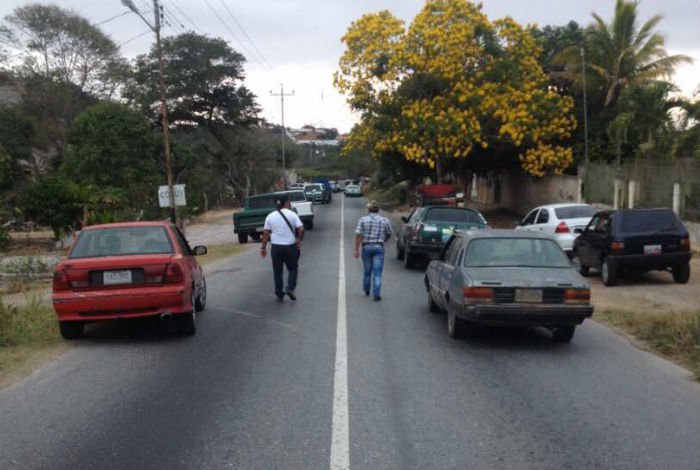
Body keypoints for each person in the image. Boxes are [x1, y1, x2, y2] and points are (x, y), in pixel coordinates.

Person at [260, 195, 305, 301]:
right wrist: (299, 239)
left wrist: (263, 247)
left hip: (276, 247)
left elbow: (266, 233)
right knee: (293, 268)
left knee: (277, 270)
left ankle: (279, 292)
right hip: (290, 246)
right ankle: (290, 288)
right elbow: (301, 229)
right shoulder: (292, 214)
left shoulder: (270, 216)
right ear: (286, 203)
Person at [354, 200, 393, 301]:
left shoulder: (363, 220)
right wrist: (384, 240)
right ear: (378, 210)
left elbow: (359, 235)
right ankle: (376, 294)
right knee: (377, 272)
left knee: (367, 270)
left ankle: (366, 290)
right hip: (379, 247)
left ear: (369, 209)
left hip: (366, 247)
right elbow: (389, 232)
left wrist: (356, 249)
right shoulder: (384, 220)